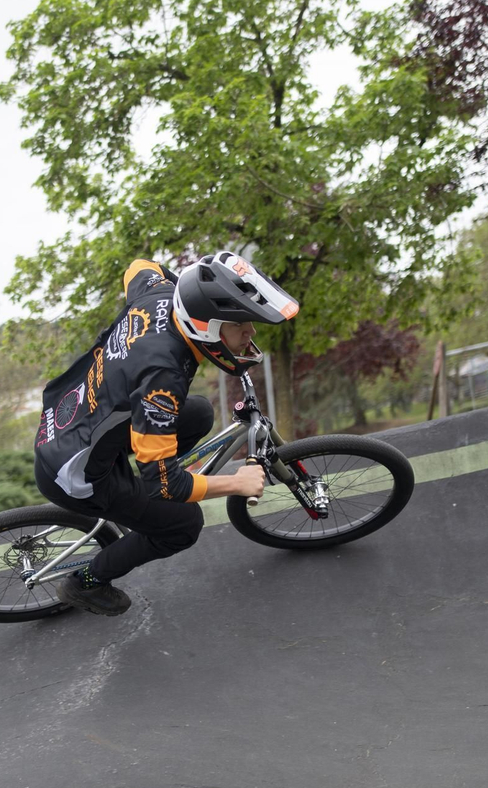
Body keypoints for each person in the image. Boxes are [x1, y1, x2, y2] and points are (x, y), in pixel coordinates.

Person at [33, 251, 300, 615]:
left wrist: (186, 291)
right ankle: (86, 582)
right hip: (78, 475)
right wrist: (236, 483)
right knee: (184, 524)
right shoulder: (162, 378)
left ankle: (144, 481)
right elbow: (167, 487)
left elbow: (138, 267)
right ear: (206, 325)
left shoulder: (158, 294)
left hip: (70, 423)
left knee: (199, 412)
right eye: (240, 325)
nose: (250, 333)